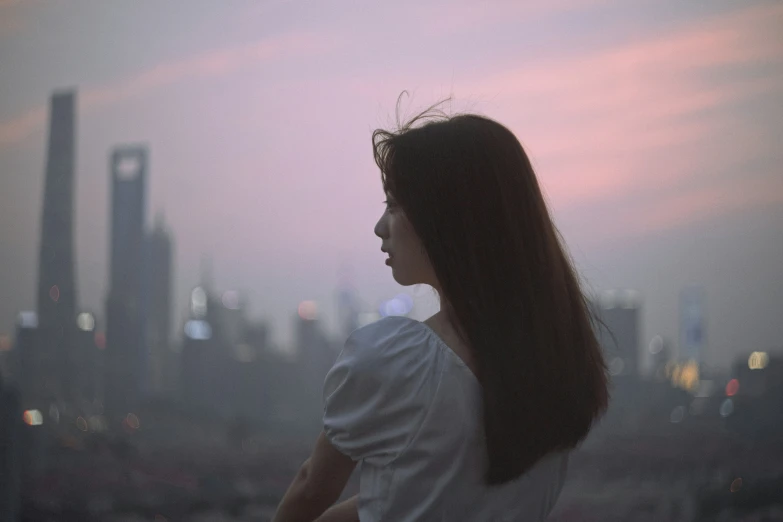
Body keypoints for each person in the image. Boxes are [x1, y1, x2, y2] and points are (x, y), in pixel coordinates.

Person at [272, 100, 609, 521]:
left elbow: (311, 487)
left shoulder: (398, 363)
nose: (380, 227)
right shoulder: (558, 362)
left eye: (394, 205)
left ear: (446, 219)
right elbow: (443, 494)